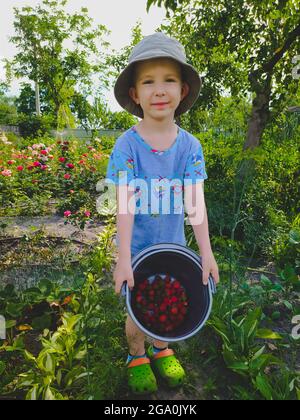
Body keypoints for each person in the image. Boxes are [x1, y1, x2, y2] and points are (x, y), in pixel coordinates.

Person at [105, 32, 219, 395]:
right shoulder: (127, 145)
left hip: (172, 245)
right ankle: (137, 354)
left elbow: (194, 201)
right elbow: (123, 202)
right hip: (137, 247)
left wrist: (207, 253)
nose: (159, 90)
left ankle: (161, 346)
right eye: (148, 81)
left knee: (170, 298)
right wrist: (123, 258)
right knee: (138, 308)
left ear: (182, 91)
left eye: (169, 80)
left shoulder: (189, 146)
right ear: (135, 94)